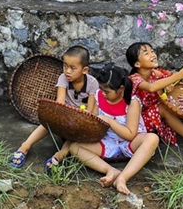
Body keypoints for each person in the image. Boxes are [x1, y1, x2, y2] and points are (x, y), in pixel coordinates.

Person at [67, 64, 159, 195]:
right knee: (74, 147)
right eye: (102, 89)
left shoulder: (132, 102)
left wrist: (109, 121)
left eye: (107, 92)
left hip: (130, 143)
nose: (103, 94)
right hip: (107, 141)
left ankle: (123, 178)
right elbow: (92, 119)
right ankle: (111, 170)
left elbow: (130, 134)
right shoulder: (98, 96)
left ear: (121, 89)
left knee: (152, 138)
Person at [9, 45, 98, 169]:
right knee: (47, 123)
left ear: (85, 70)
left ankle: (59, 155)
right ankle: (25, 146)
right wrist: (62, 117)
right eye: (65, 66)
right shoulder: (63, 78)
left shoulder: (93, 83)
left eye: (73, 68)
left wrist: (79, 119)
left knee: (80, 134)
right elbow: (60, 102)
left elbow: (90, 110)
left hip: (82, 120)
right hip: (65, 114)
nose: (67, 71)